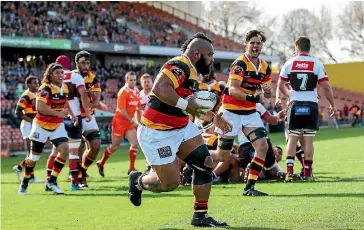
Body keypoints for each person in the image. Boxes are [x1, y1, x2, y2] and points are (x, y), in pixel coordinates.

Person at [127, 32, 231, 227]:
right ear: (197, 54)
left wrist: (215, 119)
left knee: (205, 163)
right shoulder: (180, 64)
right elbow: (159, 88)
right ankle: (138, 181)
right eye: (210, 55)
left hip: (181, 127)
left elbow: (193, 105)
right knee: (169, 184)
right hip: (157, 133)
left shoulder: (193, 72)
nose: (212, 59)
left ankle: (200, 215)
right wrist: (185, 105)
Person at [214, 30, 273, 196]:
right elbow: (232, 90)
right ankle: (192, 159)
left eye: (258, 43)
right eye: (252, 43)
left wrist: (267, 91)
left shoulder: (265, 67)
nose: (255, 46)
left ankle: (250, 187)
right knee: (221, 155)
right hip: (231, 112)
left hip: (250, 113)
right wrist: (252, 97)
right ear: (246, 44)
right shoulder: (240, 63)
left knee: (262, 146)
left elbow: (267, 94)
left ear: (262, 45)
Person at [277, 36, 337, 181]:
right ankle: (308, 173)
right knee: (309, 140)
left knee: (292, 138)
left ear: (297, 47)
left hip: (295, 104)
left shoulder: (289, 63)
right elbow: (326, 86)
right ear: (309, 48)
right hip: (311, 104)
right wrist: (332, 104)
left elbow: (280, 85)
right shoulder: (316, 63)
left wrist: (289, 94)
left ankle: (289, 173)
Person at [18, 63, 78, 195]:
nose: (61, 75)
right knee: (34, 158)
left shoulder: (64, 87)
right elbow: (40, 107)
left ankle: (52, 181)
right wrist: (59, 113)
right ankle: (25, 181)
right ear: (50, 75)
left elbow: (65, 101)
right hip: (41, 126)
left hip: (57, 125)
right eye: (57, 73)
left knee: (64, 149)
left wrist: (73, 115)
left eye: (62, 73)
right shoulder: (45, 88)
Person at [44, 55, 91, 191]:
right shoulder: (75, 76)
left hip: (58, 117)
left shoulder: (53, 79)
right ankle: (74, 183)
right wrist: (87, 111)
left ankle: (48, 180)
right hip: (73, 115)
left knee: (55, 151)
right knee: (74, 151)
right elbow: (83, 94)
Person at [73, 51, 107, 187]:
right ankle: (74, 176)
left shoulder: (92, 78)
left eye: (88, 63)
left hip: (88, 115)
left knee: (96, 145)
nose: (86, 65)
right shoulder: (71, 77)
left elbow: (96, 101)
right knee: (77, 147)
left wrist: (89, 100)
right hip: (73, 116)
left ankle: (82, 170)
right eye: (83, 63)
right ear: (77, 64)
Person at [97, 71, 141, 176]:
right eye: (131, 80)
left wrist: (137, 120)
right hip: (120, 121)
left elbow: (137, 108)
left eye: (134, 80)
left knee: (134, 144)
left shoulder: (137, 91)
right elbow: (121, 109)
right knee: (115, 146)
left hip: (129, 122)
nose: (133, 82)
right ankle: (101, 162)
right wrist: (131, 120)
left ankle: (131, 168)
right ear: (126, 80)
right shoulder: (123, 92)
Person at [13, 76, 44, 183]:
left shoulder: (37, 94)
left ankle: (20, 168)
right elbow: (17, 112)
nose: (37, 84)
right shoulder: (26, 96)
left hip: (35, 124)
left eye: (37, 82)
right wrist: (31, 121)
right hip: (27, 125)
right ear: (29, 85)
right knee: (31, 151)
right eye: (35, 83)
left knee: (35, 151)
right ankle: (30, 176)